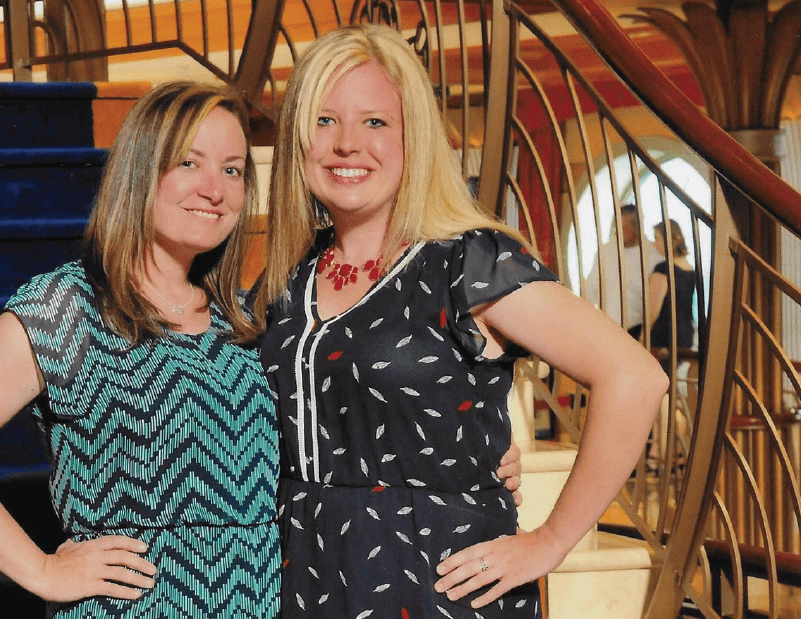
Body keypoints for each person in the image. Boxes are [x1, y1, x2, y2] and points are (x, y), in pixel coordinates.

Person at [254, 24, 668, 618]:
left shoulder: (464, 261)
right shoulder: (287, 281)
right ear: (298, 139)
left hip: (434, 582)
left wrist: (549, 543)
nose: (348, 143)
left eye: (375, 122)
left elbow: (633, 377)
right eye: (324, 120)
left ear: (412, 137)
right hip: (305, 576)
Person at [0, 81, 282, 619]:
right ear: (141, 170)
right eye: (189, 163)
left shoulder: (244, 318)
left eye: (233, 169)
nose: (215, 189)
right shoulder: (70, 306)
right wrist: (41, 569)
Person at [584, 203, 663, 340]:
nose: (617, 231)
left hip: (640, 334)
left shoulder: (654, 256)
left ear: (637, 227)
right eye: (617, 227)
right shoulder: (605, 252)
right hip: (606, 329)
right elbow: (591, 291)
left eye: (624, 228)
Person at [646, 219, 696, 354]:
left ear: (668, 239)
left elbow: (653, 311)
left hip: (663, 338)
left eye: (657, 238)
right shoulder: (690, 269)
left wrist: (642, 338)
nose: (654, 243)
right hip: (685, 335)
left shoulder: (663, 268)